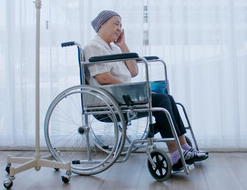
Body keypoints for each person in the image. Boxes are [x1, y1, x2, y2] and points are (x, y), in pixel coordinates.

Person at [83, 10, 208, 171]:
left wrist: (122, 45)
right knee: (161, 102)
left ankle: (184, 148)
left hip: (123, 97)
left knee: (166, 98)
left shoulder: (114, 49)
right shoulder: (93, 47)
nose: (119, 28)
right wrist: (132, 89)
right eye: (116, 24)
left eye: (121, 25)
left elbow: (134, 71)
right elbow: (103, 78)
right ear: (102, 25)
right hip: (110, 101)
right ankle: (176, 154)